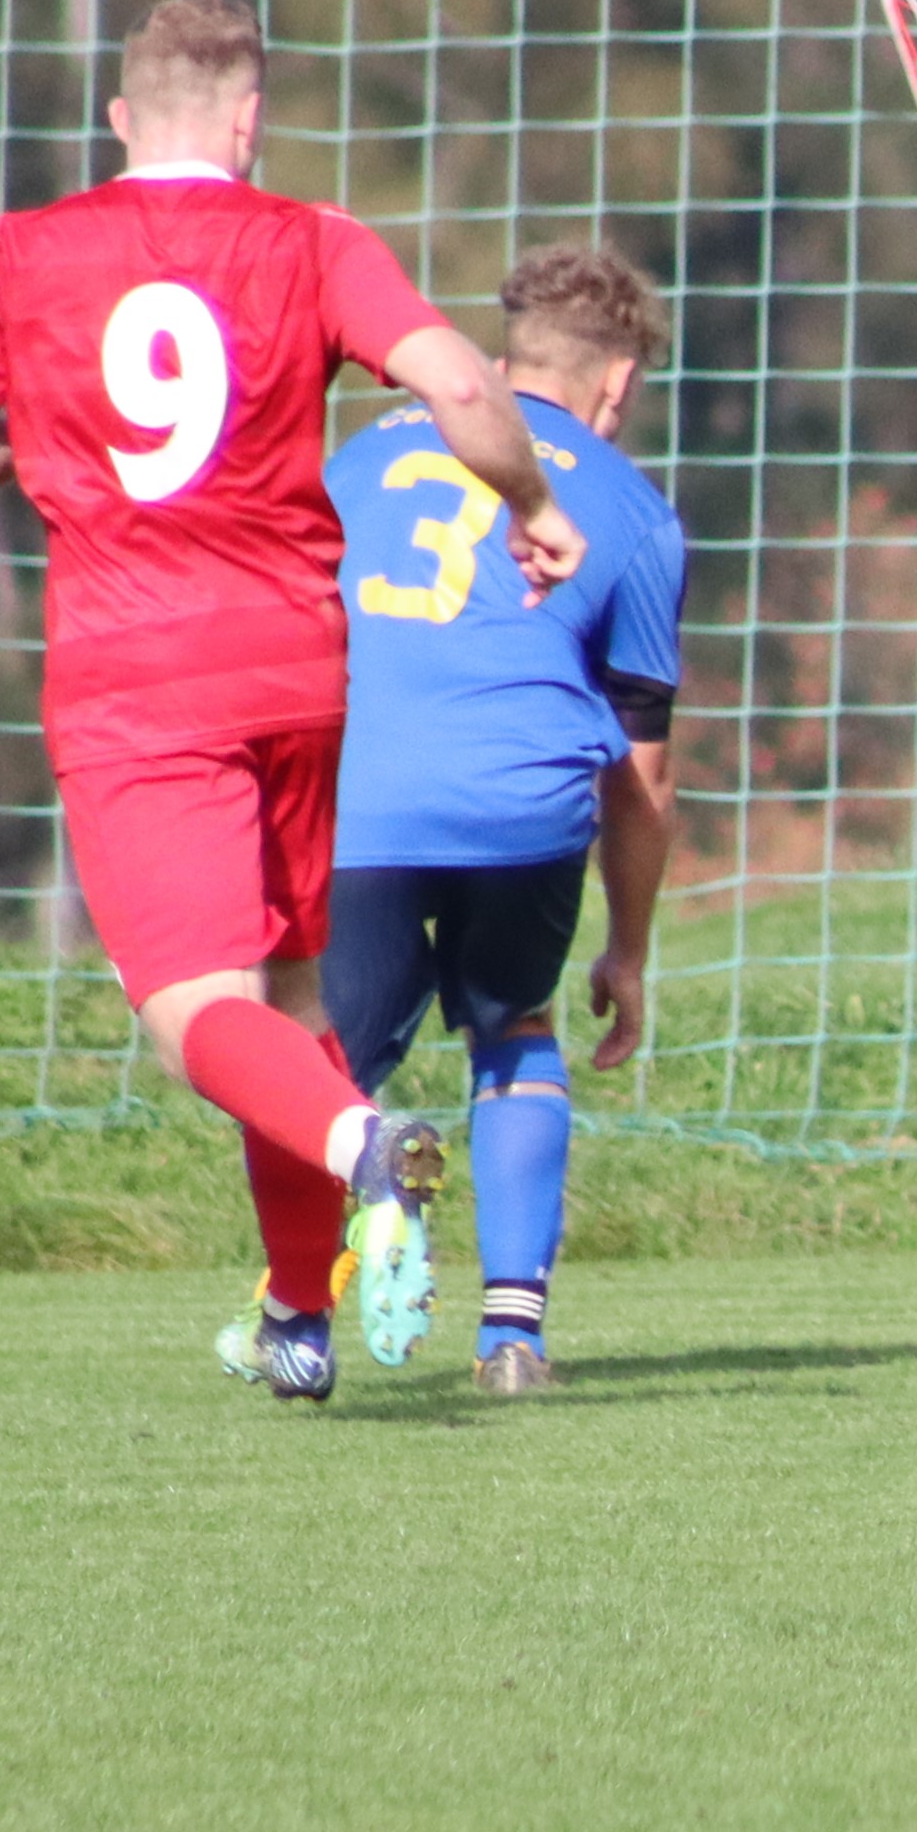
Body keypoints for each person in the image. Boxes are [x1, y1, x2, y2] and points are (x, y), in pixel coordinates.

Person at [0, 0, 583, 1401]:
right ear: (251, 121)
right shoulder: (315, 239)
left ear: (120, 118)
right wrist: (531, 501)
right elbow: (458, 383)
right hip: (298, 667)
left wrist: (52, 448)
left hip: (138, 679)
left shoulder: (20, 248)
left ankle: (365, 1145)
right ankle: (295, 1315)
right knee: (292, 993)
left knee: (193, 1009)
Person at [315, 241, 689, 1396]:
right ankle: (512, 1338)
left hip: (362, 800)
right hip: (520, 809)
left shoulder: (356, 460)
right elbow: (641, 778)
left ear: (505, 355)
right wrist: (628, 951)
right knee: (516, 1023)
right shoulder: (633, 510)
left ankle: (300, 1310)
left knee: (323, 1070)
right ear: (616, 381)